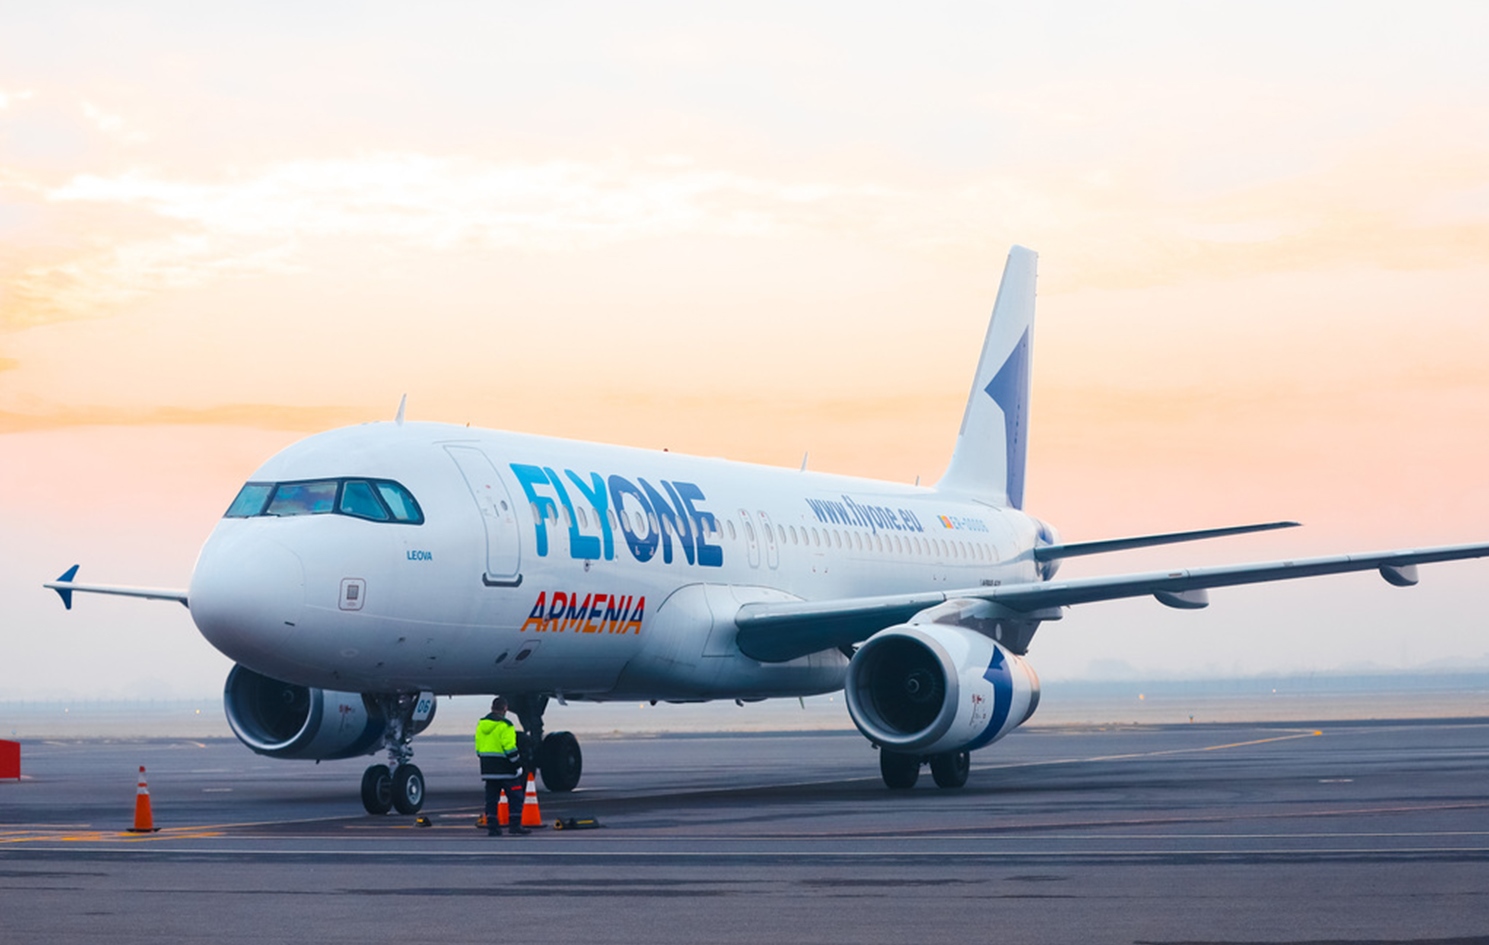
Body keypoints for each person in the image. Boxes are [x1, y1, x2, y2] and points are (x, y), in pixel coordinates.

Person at [474, 696, 530, 836]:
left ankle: (493, 828)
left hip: (488, 769)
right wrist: (518, 764)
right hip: (505, 769)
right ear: (505, 709)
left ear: (492, 708)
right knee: (516, 797)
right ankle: (515, 826)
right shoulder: (506, 726)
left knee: (491, 799)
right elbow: (509, 748)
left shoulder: (481, 725)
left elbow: (478, 749)